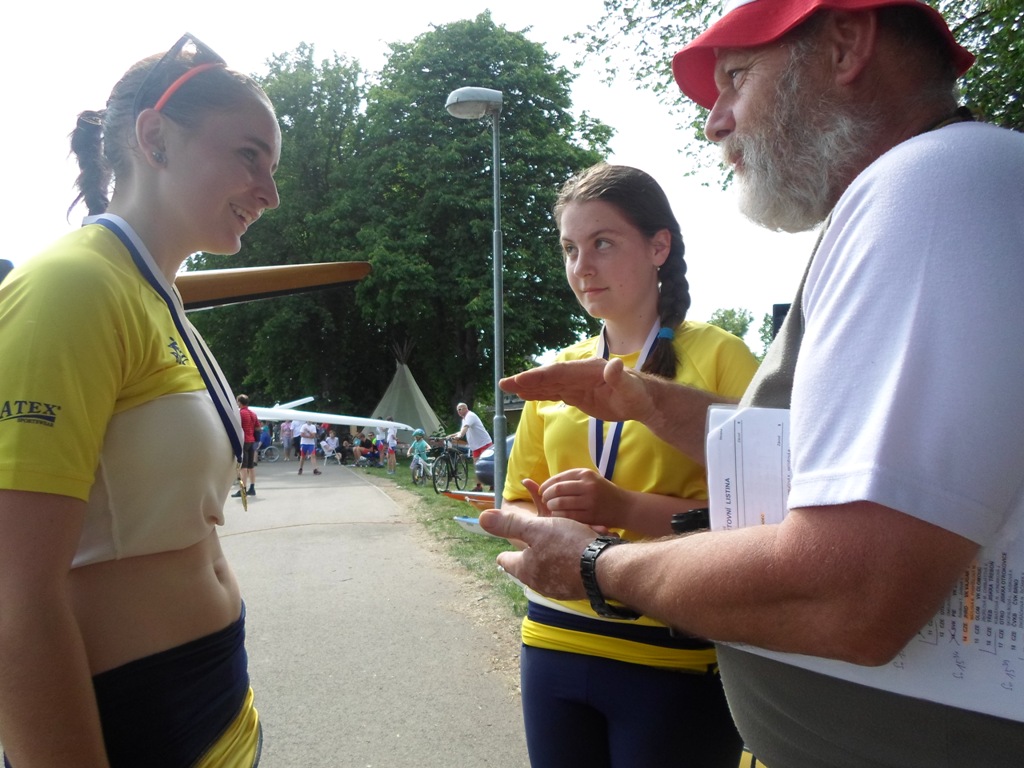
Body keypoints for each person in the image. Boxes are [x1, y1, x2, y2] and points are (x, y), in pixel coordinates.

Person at [480, 2, 1024, 766]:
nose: (715, 122)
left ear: (845, 46)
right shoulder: (923, 191)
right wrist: (651, 403)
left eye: (736, 77)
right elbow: (813, 472)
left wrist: (597, 563)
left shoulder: (930, 186)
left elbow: (853, 593)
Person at [0, 33, 279, 766]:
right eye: (248, 155)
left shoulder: (156, 296)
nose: (269, 192)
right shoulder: (71, 287)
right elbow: (11, 594)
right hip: (133, 725)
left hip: (217, 704)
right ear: (154, 138)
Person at [502, 163, 757, 767]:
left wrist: (624, 509)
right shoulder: (560, 371)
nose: (581, 268)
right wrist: (544, 527)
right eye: (570, 249)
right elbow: (512, 502)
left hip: (674, 652)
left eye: (602, 243)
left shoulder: (723, 357)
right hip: (554, 639)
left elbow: (766, 519)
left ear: (658, 247)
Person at [449, 402, 492, 490]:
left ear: (465, 408)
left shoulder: (470, 416)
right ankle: (479, 487)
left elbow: (465, 429)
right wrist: (450, 436)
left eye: (460, 409)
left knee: (486, 465)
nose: (458, 411)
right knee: (477, 466)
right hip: (476, 446)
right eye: (457, 410)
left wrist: (460, 436)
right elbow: (461, 431)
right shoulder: (464, 419)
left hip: (484, 443)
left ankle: (493, 484)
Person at [232, 394, 260, 498]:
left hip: (243, 441)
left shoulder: (240, 413)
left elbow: (236, 427)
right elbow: (258, 428)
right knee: (251, 466)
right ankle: (252, 488)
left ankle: (242, 490)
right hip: (251, 441)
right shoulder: (253, 414)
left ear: (239, 402)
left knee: (243, 468)